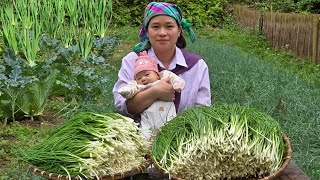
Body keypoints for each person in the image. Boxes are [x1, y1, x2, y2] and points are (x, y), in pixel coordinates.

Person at [112, 1, 211, 128]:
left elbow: (202, 112)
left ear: (179, 30)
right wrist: (155, 92)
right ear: (147, 31)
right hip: (139, 141)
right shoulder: (132, 61)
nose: (162, 33)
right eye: (155, 27)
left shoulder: (197, 66)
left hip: (184, 140)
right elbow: (122, 107)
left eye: (169, 26)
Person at [118, 51, 185, 139]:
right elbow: (131, 88)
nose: (143, 79)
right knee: (145, 133)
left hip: (166, 114)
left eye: (147, 74)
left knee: (171, 129)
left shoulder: (163, 78)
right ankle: (147, 143)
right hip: (147, 117)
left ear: (157, 74)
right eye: (139, 78)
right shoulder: (140, 86)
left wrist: (177, 85)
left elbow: (174, 78)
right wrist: (126, 91)